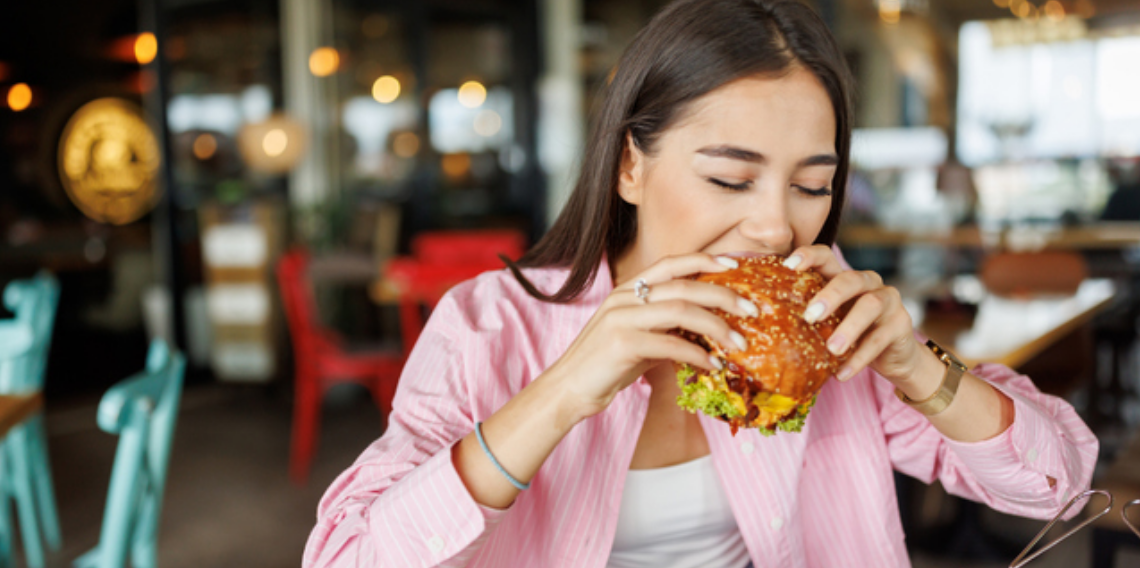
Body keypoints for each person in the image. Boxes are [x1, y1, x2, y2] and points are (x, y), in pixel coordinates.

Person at [303, 1, 1097, 566]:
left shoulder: (829, 339)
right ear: (629, 166)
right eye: (729, 178)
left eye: (812, 186)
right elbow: (348, 556)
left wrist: (917, 365)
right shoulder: (487, 327)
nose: (776, 228)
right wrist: (567, 388)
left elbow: (1055, 486)